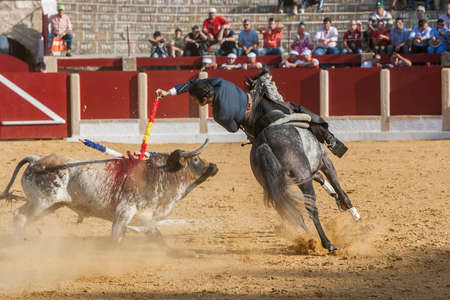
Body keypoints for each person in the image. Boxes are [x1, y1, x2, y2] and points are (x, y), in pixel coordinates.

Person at [154, 69, 347, 157]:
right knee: (294, 109)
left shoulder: (219, 114)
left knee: (260, 146)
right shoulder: (218, 82)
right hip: (259, 102)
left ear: (205, 100)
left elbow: (233, 128)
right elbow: (191, 85)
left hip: (254, 123)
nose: (195, 102)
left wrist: (167, 92)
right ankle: (329, 138)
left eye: (195, 100)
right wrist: (169, 92)